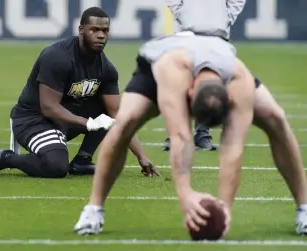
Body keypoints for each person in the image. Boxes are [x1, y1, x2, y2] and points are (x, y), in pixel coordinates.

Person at [72, 31, 307, 236]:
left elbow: (233, 147)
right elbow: (180, 137)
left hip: (217, 62)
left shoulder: (239, 81)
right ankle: (94, 208)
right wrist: (184, 195)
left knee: (276, 118)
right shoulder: (173, 71)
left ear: (229, 97)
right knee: (125, 122)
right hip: (158, 66)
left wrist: (225, 208)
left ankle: (304, 209)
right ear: (190, 92)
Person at [0, 7, 159, 179]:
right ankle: (7, 158)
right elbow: (48, 107)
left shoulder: (107, 69)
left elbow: (118, 115)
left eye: (105, 30)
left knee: (107, 110)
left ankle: (82, 160)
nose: (101, 35)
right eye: (94, 29)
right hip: (33, 120)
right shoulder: (57, 57)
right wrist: (88, 123)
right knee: (56, 167)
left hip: (64, 120)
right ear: (81, 29)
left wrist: (141, 156)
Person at [162, 0, 247, 151]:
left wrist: (226, 18)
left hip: (217, 32)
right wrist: (182, 14)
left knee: (210, 78)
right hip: (185, 31)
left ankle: (203, 134)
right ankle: (176, 135)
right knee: (181, 80)